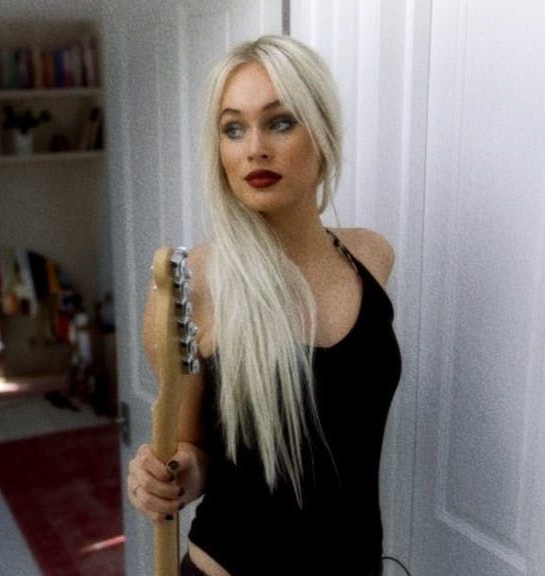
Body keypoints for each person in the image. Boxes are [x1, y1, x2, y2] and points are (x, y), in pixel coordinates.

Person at [127, 35, 402, 576]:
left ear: (322, 132)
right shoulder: (189, 287)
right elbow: (193, 451)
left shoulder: (373, 257)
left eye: (280, 122)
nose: (254, 148)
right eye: (233, 129)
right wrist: (167, 476)